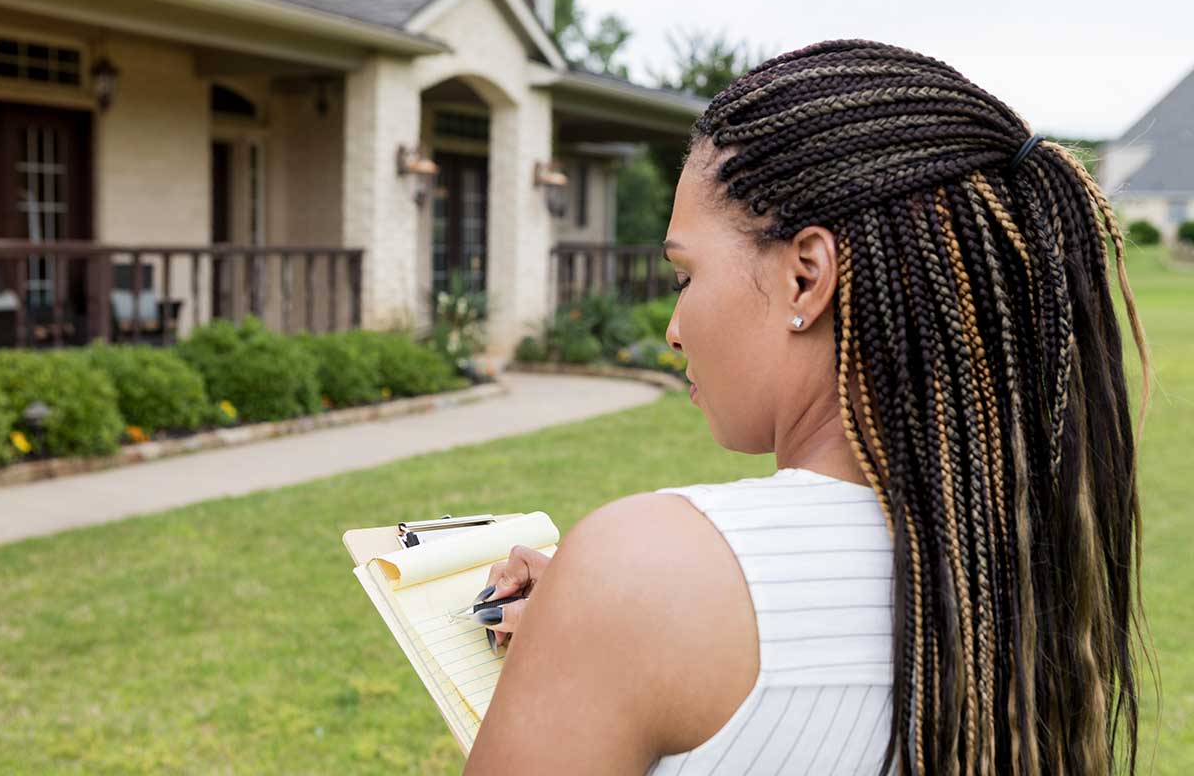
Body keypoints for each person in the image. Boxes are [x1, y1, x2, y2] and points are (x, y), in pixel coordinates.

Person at [461, 38, 1156, 775]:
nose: (673, 328)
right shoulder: (1016, 567)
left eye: (683, 276)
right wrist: (583, 618)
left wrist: (593, 618)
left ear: (806, 279)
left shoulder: (635, 573)